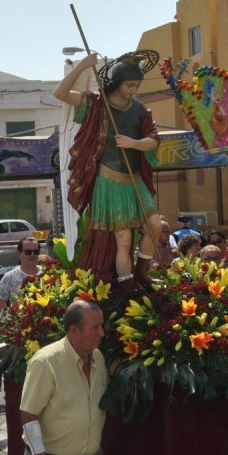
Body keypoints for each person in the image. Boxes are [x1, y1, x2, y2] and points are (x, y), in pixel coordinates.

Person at [55, 52, 163, 289]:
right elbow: (60, 93)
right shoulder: (95, 103)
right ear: (118, 83)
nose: (133, 90)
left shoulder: (140, 110)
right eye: (129, 85)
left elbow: (153, 140)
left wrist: (133, 144)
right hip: (109, 180)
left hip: (134, 179)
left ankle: (142, 271)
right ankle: (127, 285)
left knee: (156, 224)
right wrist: (83, 65)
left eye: (137, 85)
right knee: (123, 239)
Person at [20, 300, 108, 455]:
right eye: (95, 327)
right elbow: (28, 414)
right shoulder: (46, 362)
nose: (102, 333)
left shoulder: (98, 358)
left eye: (101, 325)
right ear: (74, 331)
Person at [0, 238, 43, 310]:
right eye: (28, 252)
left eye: (36, 252)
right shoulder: (9, 277)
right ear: (19, 254)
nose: (32, 254)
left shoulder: (47, 274)